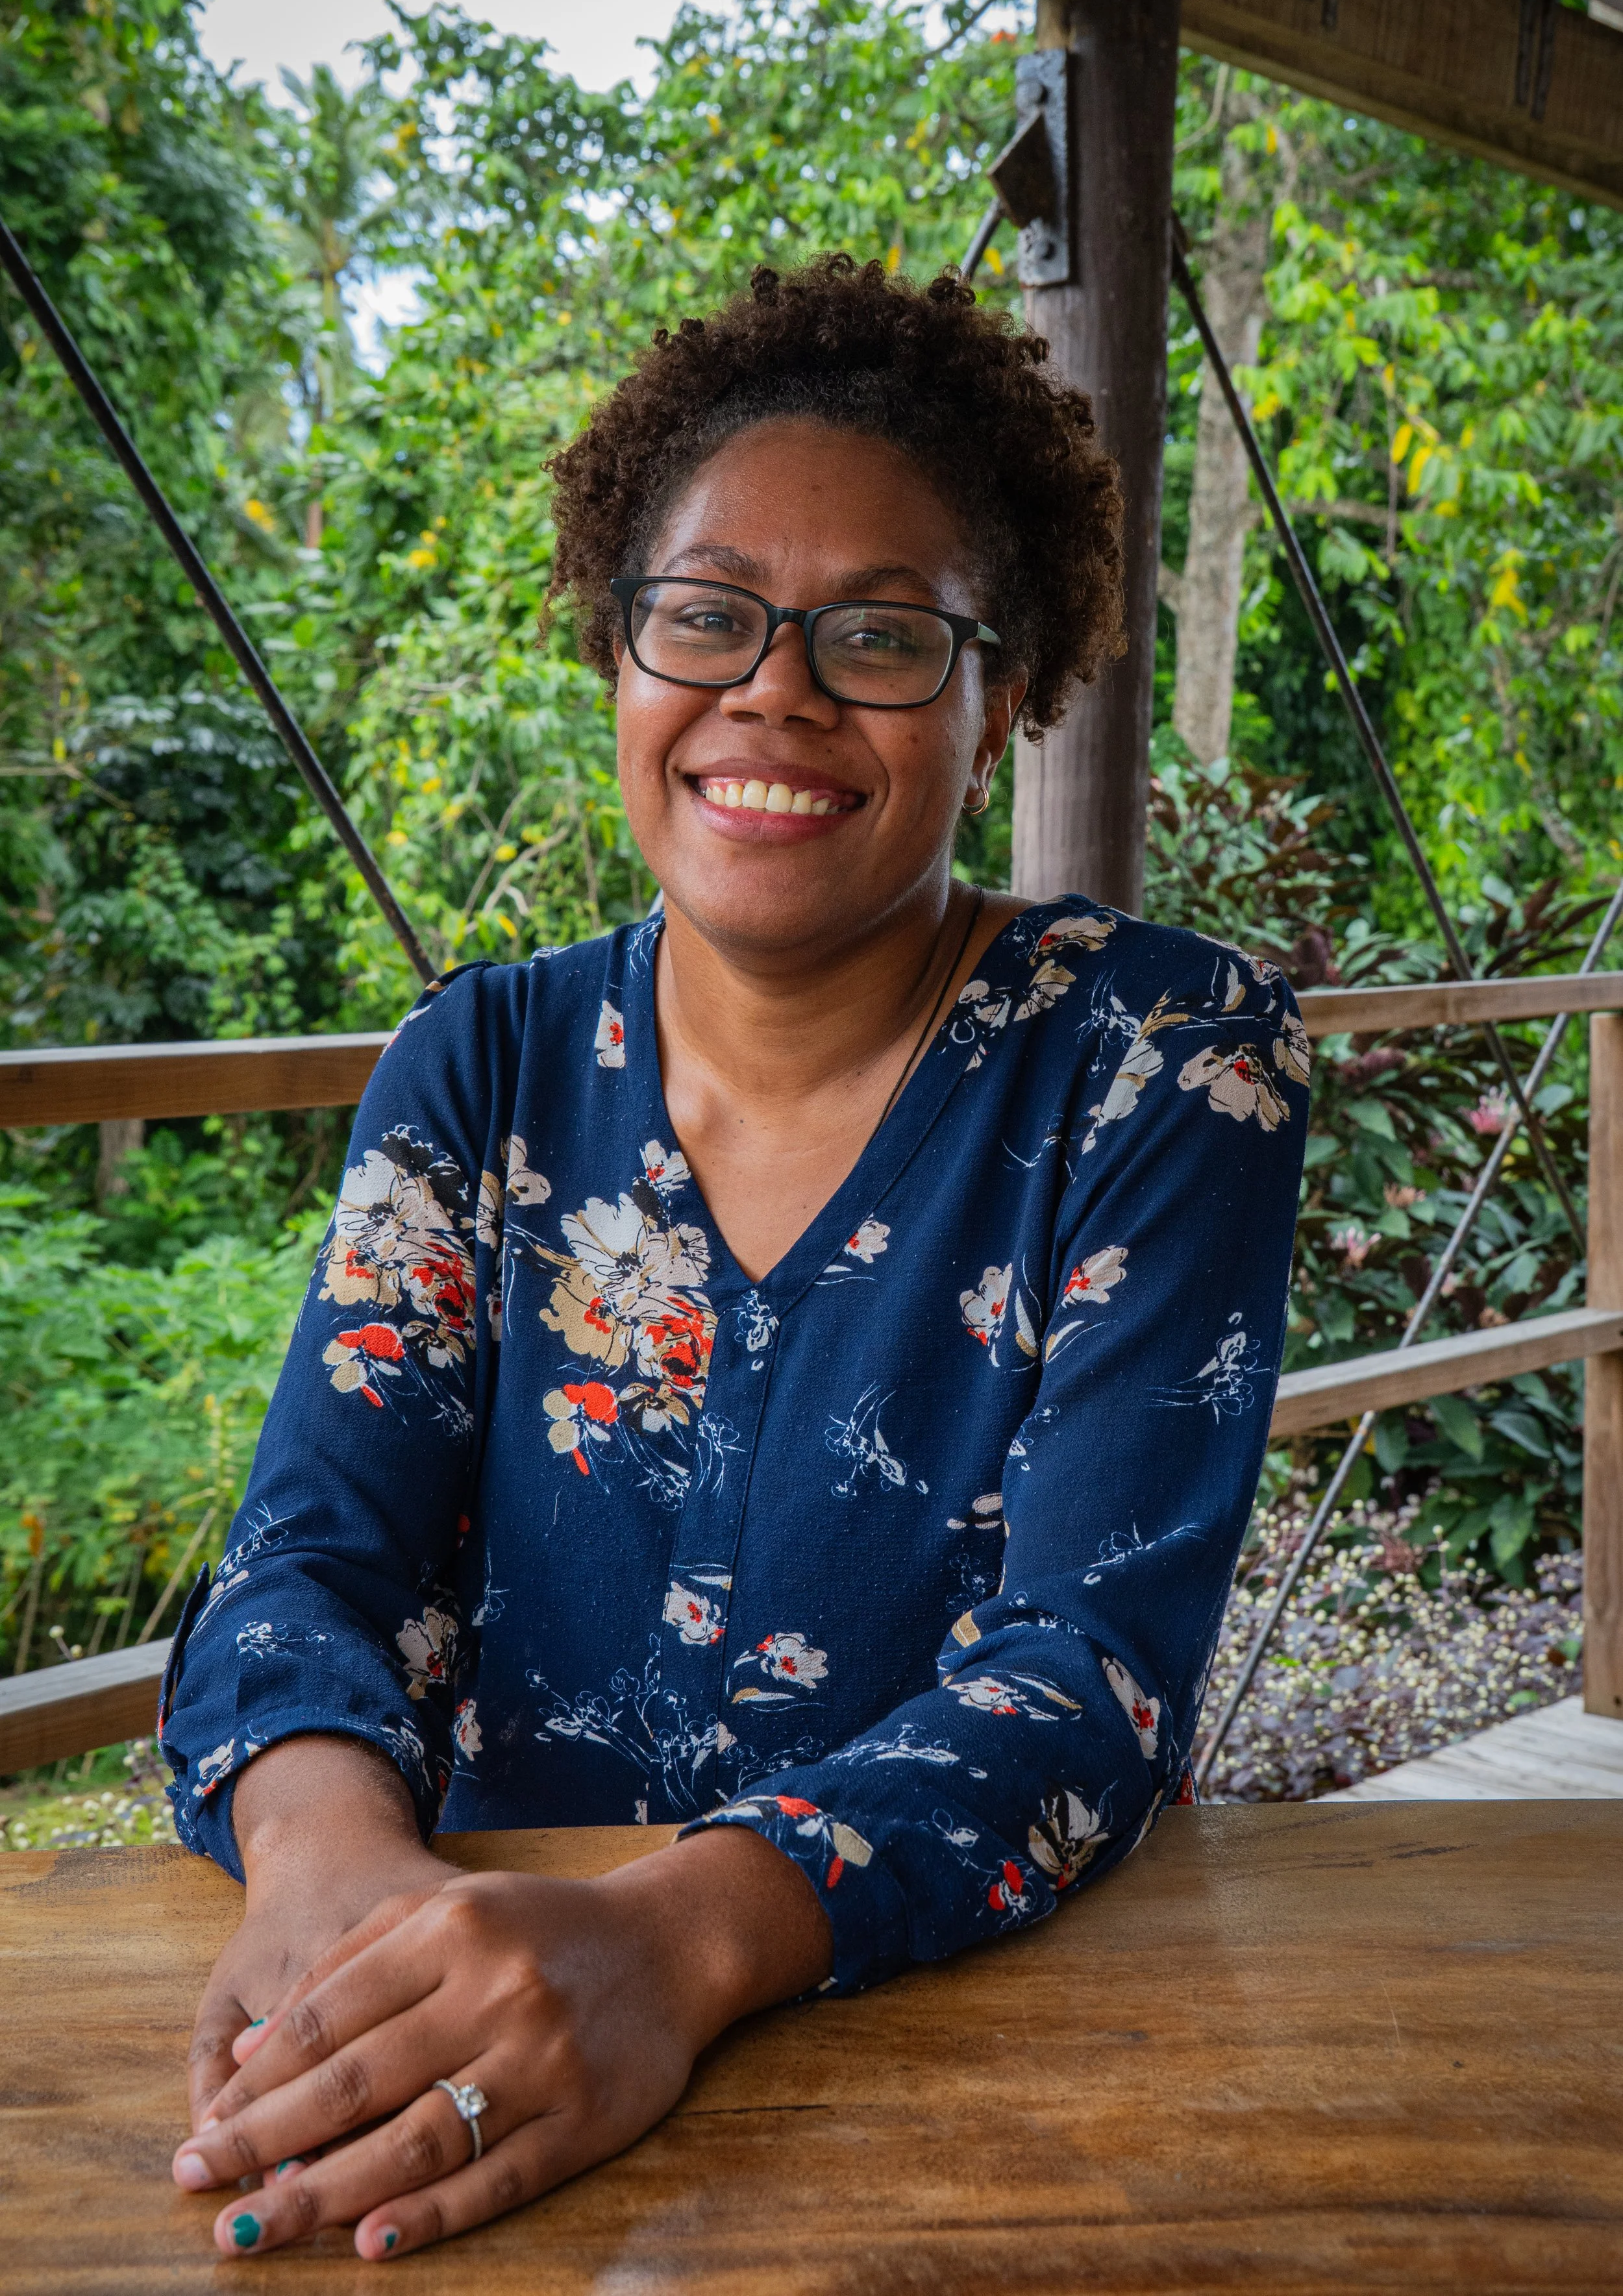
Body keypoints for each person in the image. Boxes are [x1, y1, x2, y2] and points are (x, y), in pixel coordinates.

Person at [160, 254, 1308, 2262]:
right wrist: (326, 1859)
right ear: (618, 646)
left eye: (877, 634)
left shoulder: (1159, 1059)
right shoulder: (487, 1058)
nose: (769, 688)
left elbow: (1090, 1671)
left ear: (1008, 687)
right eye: (702, 613)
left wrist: (667, 1942)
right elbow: (308, 1557)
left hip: (982, 2078)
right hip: (481, 2059)